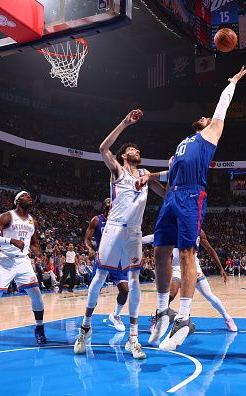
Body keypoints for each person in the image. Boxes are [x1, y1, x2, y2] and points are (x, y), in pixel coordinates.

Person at [140, 66, 246, 352]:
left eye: (207, 115)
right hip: (172, 196)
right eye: (204, 116)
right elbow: (171, 172)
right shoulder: (182, 144)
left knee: (187, 253)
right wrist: (149, 177)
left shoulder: (211, 133)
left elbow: (222, 104)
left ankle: (184, 318)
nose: (205, 116)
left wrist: (234, 81)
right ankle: (163, 311)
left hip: (191, 196)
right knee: (160, 252)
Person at [74, 109, 165, 359]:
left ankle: (133, 339)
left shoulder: (146, 175)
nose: (136, 151)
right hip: (113, 229)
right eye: (132, 150)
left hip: (134, 233)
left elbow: (165, 194)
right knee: (99, 277)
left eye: (138, 150)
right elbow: (103, 148)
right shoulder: (117, 171)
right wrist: (125, 122)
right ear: (125, 155)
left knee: (134, 282)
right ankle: (85, 328)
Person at [0, 191, 47, 347]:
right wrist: (11, 240)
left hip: (23, 261)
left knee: (37, 296)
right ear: (17, 200)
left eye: (30, 195)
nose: (30, 197)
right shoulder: (7, 216)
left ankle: (39, 329)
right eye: (26, 195)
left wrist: (39, 253)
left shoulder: (32, 221)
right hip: (5, 260)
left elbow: (33, 242)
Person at [167, 229, 237, 332]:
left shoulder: (199, 231)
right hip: (177, 267)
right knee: (171, 294)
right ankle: (160, 317)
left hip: (193, 266)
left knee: (209, 296)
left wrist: (221, 268)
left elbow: (210, 249)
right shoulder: (173, 229)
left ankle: (228, 318)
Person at [84, 198, 129, 332]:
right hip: (103, 259)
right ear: (104, 206)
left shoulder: (121, 221)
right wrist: (90, 249)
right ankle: (87, 321)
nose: (111, 202)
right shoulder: (97, 220)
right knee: (95, 292)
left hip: (118, 260)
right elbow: (87, 238)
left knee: (125, 290)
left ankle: (115, 315)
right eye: (108, 201)